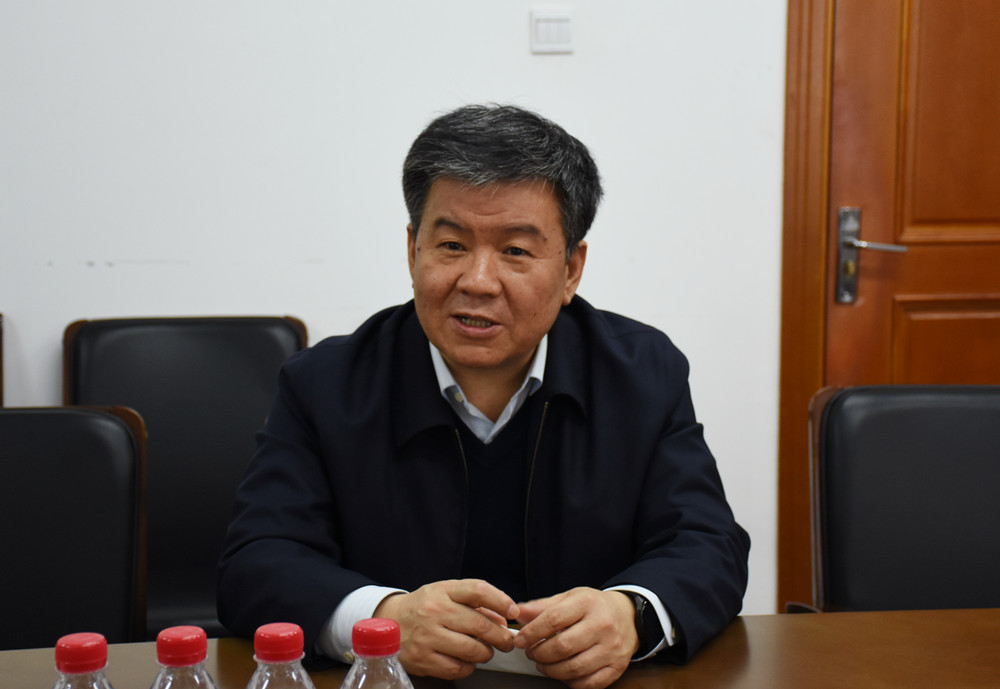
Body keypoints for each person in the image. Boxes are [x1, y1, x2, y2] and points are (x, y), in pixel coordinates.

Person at [217, 104, 750, 689]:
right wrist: (386, 619)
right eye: (451, 245)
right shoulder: (325, 384)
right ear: (413, 250)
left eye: (516, 251)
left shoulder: (643, 374)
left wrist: (631, 615)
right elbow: (256, 563)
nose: (477, 280)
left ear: (571, 269)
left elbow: (707, 543)